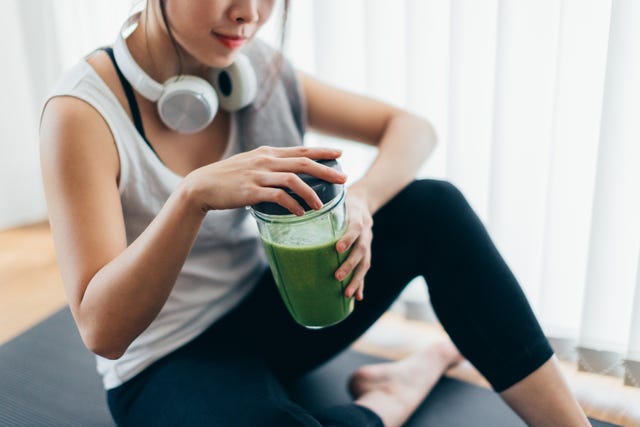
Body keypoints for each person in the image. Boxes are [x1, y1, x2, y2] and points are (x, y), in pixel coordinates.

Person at [39, 1, 592, 426]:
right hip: (166, 360)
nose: (248, 14)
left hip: (269, 316)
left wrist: (365, 203)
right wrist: (192, 198)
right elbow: (102, 331)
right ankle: (392, 394)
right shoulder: (81, 115)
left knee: (432, 206)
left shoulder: (256, 66)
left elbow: (412, 128)